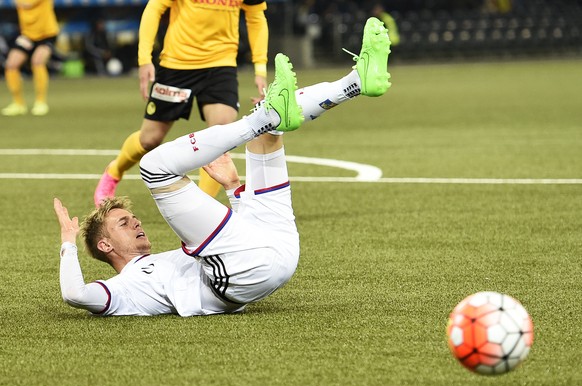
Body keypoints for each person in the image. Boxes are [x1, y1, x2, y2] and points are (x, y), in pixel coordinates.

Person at [54, 18, 391, 317]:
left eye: (130, 218)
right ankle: (262, 118)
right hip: (237, 277)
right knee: (153, 167)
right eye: (123, 223)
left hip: (277, 252)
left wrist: (233, 189)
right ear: (105, 246)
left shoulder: (170, 259)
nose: (136, 222)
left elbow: (241, 240)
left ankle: (356, 82)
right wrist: (69, 242)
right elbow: (75, 294)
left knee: (271, 126)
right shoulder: (122, 290)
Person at [93, 0, 271, 206]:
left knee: (220, 138)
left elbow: (256, 17)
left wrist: (260, 68)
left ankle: (202, 210)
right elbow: (154, 8)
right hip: (177, 65)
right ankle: (114, 172)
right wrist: (144, 59)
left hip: (221, 65)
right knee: (149, 139)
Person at [1, 0, 59, 116]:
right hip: (28, 35)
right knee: (11, 65)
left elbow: (28, 4)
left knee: (37, 61)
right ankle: (18, 103)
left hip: (46, 34)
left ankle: (41, 102)